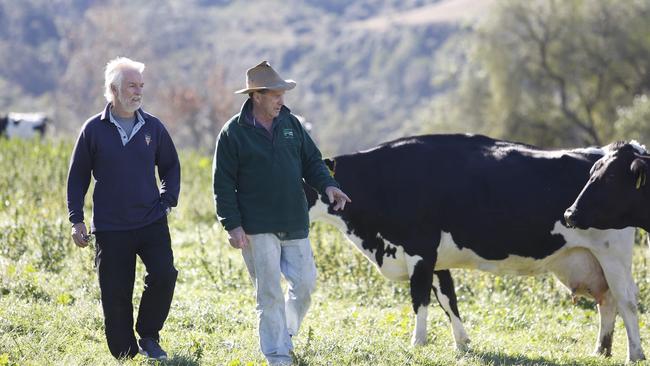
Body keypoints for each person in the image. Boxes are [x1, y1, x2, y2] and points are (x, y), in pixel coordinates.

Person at [213, 61, 351, 365]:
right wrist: (232, 226)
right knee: (269, 294)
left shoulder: (292, 125)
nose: (281, 100)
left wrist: (329, 185)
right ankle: (277, 355)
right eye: (275, 94)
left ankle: (285, 332)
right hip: (256, 226)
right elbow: (222, 184)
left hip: (294, 220)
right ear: (256, 96)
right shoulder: (233, 133)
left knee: (304, 284)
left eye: (282, 94)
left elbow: (313, 161)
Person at [66, 57, 181, 361]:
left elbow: (170, 166)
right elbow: (77, 178)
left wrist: (168, 199)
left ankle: (148, 335)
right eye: (132, 85)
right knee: (116, 294)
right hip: (110, 226)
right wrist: (76, 219)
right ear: (114, 89)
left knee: (164, 274)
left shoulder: (153, 127)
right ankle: (125, 353)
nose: (138, 91)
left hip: (151, 220)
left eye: (141, 85)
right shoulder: (93, 129)